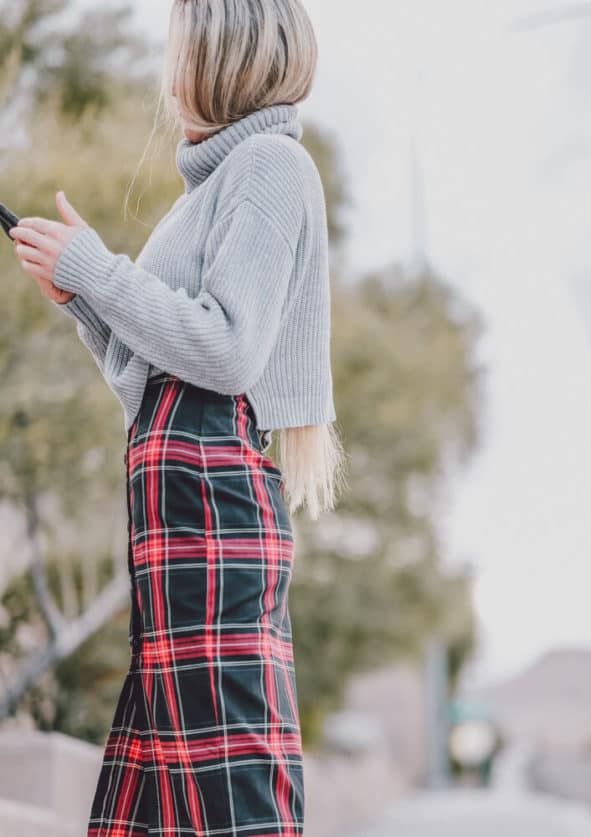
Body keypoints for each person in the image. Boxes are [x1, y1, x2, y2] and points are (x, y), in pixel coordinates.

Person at [9, 1, 347, 834]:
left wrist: (101, 269)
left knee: (225, 772)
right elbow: (148, 378)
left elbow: (227, 353)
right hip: (179, 499)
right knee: (170, 776)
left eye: (179, 52)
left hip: (209, 493)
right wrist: (86, 298)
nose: (169, 76)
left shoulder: (269, 163)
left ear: (217, 59)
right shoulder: (213, 185)